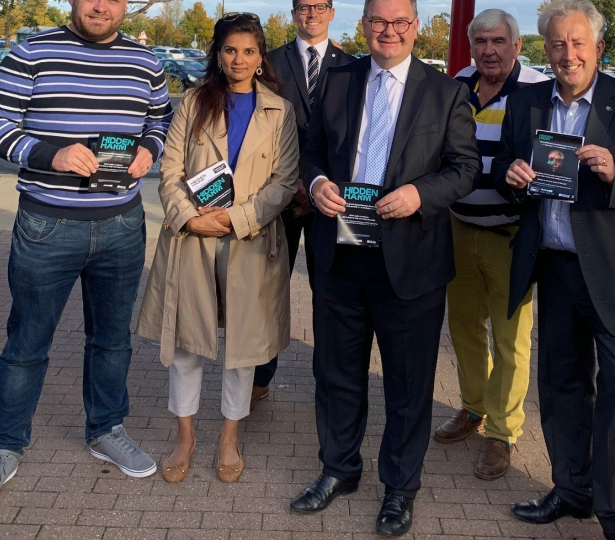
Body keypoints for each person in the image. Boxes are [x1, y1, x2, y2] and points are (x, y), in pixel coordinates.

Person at [0, 0, 172, 513]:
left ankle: (106, 428)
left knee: (112, 340)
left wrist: (150, 149)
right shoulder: (32, 53)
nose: (100, 6)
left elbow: (160, 122)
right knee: (27, 343)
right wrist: (49, 154)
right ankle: (4, 447)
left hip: (122, 225)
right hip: (46, 226)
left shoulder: (147, 62)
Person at [289, 0, 480, 535]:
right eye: (378, 21)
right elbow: (310, 150)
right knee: (336, 374)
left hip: (411, 262)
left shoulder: (445, 92)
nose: (388, 31)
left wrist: (421, 194)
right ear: (364, 25)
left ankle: (400, 488)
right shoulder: (337, 80)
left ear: (416, 28)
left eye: (399, 22)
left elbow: (465, 168)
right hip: (340, 256)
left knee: (408, 385)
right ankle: (338, 469)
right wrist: (317, 182)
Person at [493, 1, 615, 538]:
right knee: (561, 385)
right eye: (557, 43)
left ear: (597, 47)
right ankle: (571, 491)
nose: (567, 54)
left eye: (577, 43)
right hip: (554, 268)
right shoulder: (526, 102)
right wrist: (512, 174)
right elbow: (505, 169)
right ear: (546, 49)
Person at [135, 13, 298, 485]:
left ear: (261, 57)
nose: (239, 60)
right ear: (218, 54)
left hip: (250, 240)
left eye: (248, 51)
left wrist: (235, 218)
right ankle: (184, 436)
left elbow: (285, 181)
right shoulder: (192, 102)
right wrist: (191, 217)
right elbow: (169, 170)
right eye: (230, 50)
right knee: (187, 343)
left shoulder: (279, 111)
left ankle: (229, 437)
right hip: (193, 239)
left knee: (242, 349)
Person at [432, 8, 548, 482]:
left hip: (512, 234)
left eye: (499, 41)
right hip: (459, 227)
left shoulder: (538, 90)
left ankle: (502, 432)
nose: (489, 50)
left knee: (511, 339)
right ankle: (473, 406)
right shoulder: (458, 83)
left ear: (517, 45)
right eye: (480, 41)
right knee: (463, 327)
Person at [254, 0, 354, 407]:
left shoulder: (353, 68)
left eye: (320, 6)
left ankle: (327, 382)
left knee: (328, 293)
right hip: (276, 193)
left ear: (332, 12)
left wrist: (317, 181)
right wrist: (291, 179)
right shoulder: (269, 62)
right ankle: (259, 377)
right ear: (294, 14)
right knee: (266, 289)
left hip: (328, 198)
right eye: (304, 7)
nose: (312, 14)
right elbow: (257, 125)